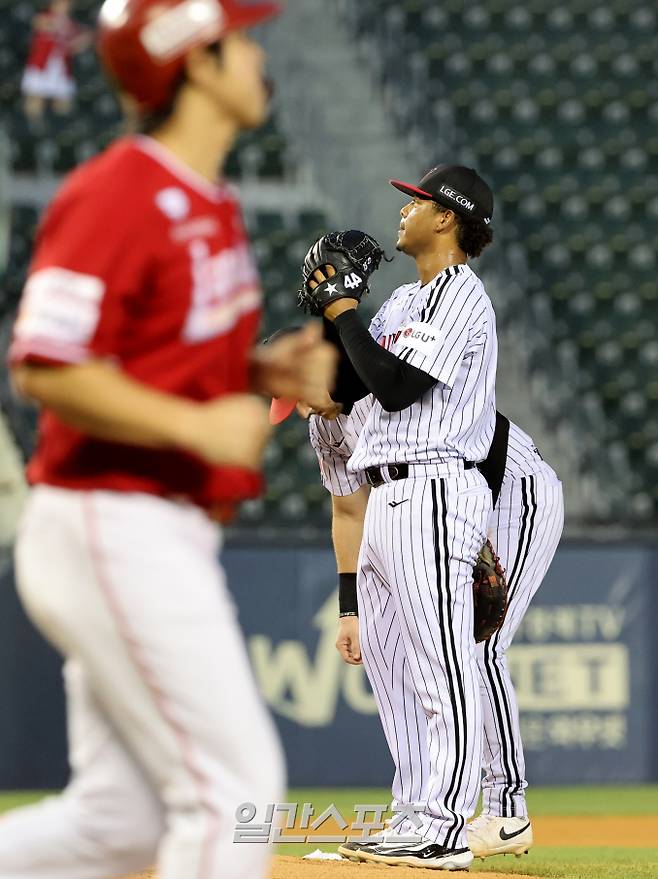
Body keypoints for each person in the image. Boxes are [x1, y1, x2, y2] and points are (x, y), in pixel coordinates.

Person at [0, 2, 336, 878]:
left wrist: (255, 379)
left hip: (153, 527)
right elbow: (44, 363)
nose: (258, 58)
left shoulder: (206, 199)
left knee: (117, 825)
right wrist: (198, 423)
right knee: (240, 791)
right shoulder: (119, 190)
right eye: (241, 41)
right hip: (111, 521)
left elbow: (155, 358)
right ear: (196, 61)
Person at [299, 165, 498, 869]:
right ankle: (414, 810)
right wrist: (326, 316)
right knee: (394, 668)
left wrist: (346, 307)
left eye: (416, 202)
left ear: (447, 218)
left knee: (441, 665)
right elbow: (354, 385)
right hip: (383, 494)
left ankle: (446, 825)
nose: (404, 212)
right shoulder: (403, 304)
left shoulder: (460, 296)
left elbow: (398, 386)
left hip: (436, 486)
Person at [299, 399, 563, 861]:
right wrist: (349, 608)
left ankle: (506, 812)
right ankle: (416, 815)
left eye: (296, 394)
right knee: (413, 650)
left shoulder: (380, 383)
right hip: (417, 510)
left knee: (477, 649)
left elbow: (487, 442)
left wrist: (469, 536)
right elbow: (348, 512)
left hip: (512, 494)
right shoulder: (324, 426)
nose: (299, 410)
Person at [22, 0, 92, 119]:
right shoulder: (45, 17)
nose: (64, 7)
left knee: (64, 104)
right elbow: (40, 24)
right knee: (36, 100)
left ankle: (63, 125)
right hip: (41, 66)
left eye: (67, 5)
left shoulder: (70, 25)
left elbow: (76, 44)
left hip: (60, 69)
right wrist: (61, 27)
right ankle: (33, 127)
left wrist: (83, 39)